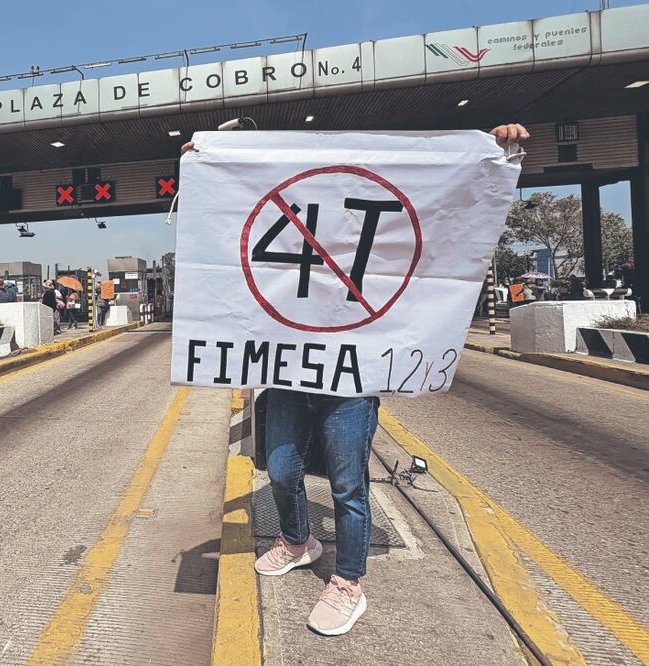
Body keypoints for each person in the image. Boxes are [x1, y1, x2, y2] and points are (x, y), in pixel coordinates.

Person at [181, 123, 531, 636]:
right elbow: (232, 235)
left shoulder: (373, 240)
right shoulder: (295, 226)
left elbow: (446, 223)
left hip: (350, 386)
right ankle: (299, 541)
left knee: (348, 487)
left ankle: (348, 581)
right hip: (288, 378)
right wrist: (209, 159)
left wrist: (498, 151)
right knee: (279, 471)